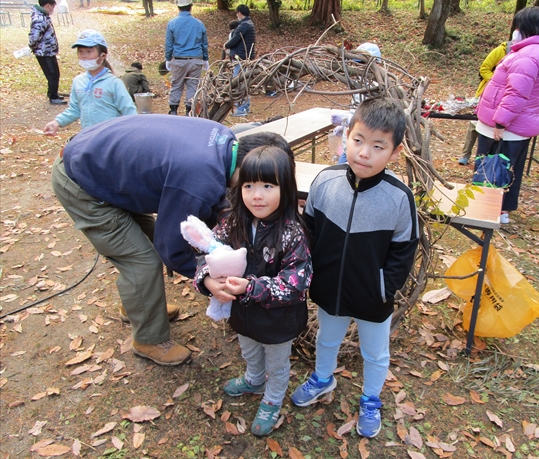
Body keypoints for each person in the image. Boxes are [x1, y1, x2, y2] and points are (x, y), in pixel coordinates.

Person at [50, 114, 293, 366]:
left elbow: (210, 201)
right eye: (259, 183)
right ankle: (148, 339)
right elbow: (171, 247)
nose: (259, 193)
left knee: (150, 237)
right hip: (81, 179)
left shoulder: (223, 140)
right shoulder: (197, 176)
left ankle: (141, 306)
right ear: (249, 168)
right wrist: (207, 278)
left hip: (102, 164)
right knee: (142, 260)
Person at [291, 98, 419, 439]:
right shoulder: (325, 181)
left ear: (395, 152)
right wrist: (311, 272)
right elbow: (310, 230)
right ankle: (322, 377)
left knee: (375, 352)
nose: (364, 153)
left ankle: (371, 399)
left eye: (378, 146)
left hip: (372, 296)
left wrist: (383, 286)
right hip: (329, 287)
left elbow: (405, 249)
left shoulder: (399, 197)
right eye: (358, 140)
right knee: (327, 337)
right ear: (346, 136)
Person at [193, 145, 312, 437]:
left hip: (278, 321)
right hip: (243, 314)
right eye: (249, 185)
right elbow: (206, 251)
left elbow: (297, 282)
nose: (256, 195)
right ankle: (254, 379)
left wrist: (252, 287)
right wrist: (207, 280)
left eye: (267, 186)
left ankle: (272, 398)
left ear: (286, 188)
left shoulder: (292, 232)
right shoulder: (234, 221)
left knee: (277, 361)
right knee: (249, 349)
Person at [474, 6, 539, 224]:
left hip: (505, 126)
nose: (515, 31)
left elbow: (516, 93)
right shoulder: (537, 51)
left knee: (494, 165)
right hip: (514, 124)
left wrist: (500, 121)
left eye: (518, 26)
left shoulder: (529, 56)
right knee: (508, 167)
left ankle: (491, 209)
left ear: (529, 27)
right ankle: (500, 210)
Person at [43, 30, 136, 136]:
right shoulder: (78, 82)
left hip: (111, 139)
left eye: (89, 51)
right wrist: (57, 122)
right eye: (80, 51)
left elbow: (129, 111)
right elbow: (75, 109)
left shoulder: (114, 83)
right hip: (88, 138)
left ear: (103, 55)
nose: (84, 56)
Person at [458, 36, 515, 166]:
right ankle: (465, 154)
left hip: (504, 98)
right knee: (474, 124)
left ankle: (490, 160)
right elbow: (484, 68)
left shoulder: (522, 57)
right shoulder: (500, 51)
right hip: (487, 94)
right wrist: (496, 82)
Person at [165, 0, 209, 116]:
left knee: (177, 84)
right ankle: (189, 110)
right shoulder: (199, 24)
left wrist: (168, 59)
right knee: (192, 86)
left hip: (179, 60)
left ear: (178, 7)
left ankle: (173, 110)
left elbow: (169, 43)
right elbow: (204, 43)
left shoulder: (172, 23)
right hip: (196, 60)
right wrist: (205, 59)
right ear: (191, 7)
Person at [29, 0, 66, 105]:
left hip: (48, 51)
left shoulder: (43, 16)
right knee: (53, 75)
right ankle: (53, 97)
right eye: (52, 8)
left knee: (54, 73)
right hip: (44, 52)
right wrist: (33, 47)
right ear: (47, 5)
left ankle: (52, 93)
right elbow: (34, 37)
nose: (52, 10)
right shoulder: (39, 19)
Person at [223, 4, 256, 117]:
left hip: (240, 58)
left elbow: (235, 39)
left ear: (240, 13)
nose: (237, 15)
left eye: (237, 13)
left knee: (239, 83)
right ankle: (245, 106)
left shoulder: (243, 25)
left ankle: (241, 108)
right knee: (244, 83)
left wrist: (226, 45)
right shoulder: (250, 24)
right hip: (246, 57)